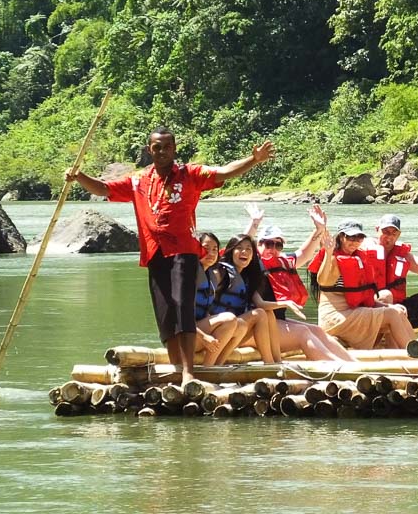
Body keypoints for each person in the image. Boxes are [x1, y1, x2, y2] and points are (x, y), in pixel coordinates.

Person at [64, 128, 274, 385]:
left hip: (184, 253)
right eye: (156, 147)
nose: (161, 151)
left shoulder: (190, 175)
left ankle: (188, 373)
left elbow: (224, 172)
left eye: (166, 146)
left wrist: (253, 160)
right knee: (165, 315)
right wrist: (79, 176)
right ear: (149, 150)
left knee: (182, 308)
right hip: (155, 254)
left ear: (174, 148)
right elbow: (104, 188)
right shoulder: (138, 181)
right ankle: (176, 369)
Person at [255, 207, 353, 361]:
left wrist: (319, 229)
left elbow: (305, 253)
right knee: (302, 332)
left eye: (278, 245)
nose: (273, 249)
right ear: (258, 245)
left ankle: (353, 364)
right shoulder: (252, 263)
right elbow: (237, 247)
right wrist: (254, 224)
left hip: (276, 322)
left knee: (317, 331)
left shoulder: (283, 262)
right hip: (257, 327)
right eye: (268, 244)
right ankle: (339, 367)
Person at [311, 221, 417, 350]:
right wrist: (328, 253)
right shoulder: (333, 259)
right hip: (335, 318)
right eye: (351, 237)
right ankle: (413, 354)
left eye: (359, 238)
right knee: (392, 314)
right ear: (341, 237)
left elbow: (362, 298)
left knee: (398, 312)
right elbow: (322, 280)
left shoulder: (358, 258)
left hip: (352, 313)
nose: (355, 241)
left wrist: (389, 306)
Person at [206, 233, 303, 364]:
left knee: (267, 312)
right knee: (259, 314)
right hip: (217, 329)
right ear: (231, 251)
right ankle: (269, 363)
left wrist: (286, 303)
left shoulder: (246, 279)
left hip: (235, 330)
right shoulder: (220, 273)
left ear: (252, 256)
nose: (244, 252)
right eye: (239, 248)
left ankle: (276, 361)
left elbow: (261, 303)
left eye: (248, 249)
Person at [193, 232, 248, 366]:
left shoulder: (210, 275)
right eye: (206, 248)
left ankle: (218, 365)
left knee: (241, 325)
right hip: (186, 335)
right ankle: (208, 369)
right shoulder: (190, 274)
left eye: (215, 249)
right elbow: (181, 315)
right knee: (229, 318)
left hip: (198, 332)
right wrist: (204, 337)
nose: (211, 253)